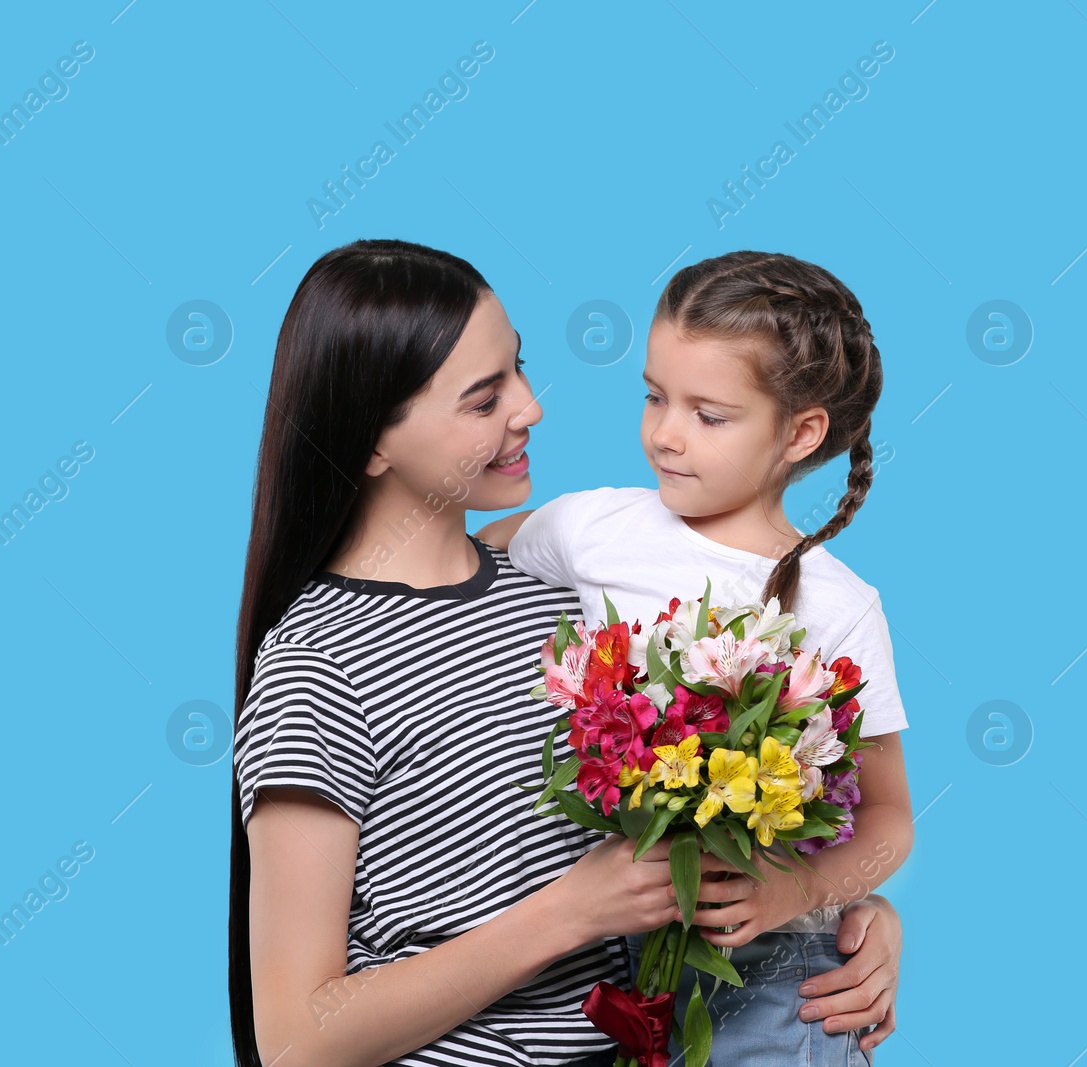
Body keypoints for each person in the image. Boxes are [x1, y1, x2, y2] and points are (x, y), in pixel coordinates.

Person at [228, 239, 902, 1067]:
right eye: (483, 400)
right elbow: (296, 1042)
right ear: (370, 440)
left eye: (519, 368)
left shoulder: (571, 595)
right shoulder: (319, 662)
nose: (531, 408)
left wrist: (834, 914)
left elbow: (774, 824)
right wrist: (570, 911)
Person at [476, 250, 912, 1066]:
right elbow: (461, 567)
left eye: (709, 414)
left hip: (779, 983)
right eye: (653, 395)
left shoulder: (840, 607)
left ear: (802, 432)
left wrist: (797, 893)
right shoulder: (593, 527)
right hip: (616, 963)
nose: (666, 433)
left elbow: (890, 819)